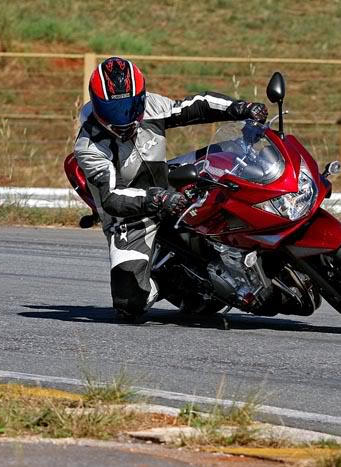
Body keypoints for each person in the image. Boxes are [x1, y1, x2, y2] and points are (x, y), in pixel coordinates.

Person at [73, 56, 267, 321]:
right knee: (130, 304)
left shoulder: (151, 105)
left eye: (130, 107)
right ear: (96, 105)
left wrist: (241, 108)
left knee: (228, 155)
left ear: (140, 98)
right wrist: (157, 198)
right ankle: (171, 281)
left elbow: (196, 106)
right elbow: (111, 197)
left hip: (166, 180)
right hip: (131, 217)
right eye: (112, 110)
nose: (122, 118)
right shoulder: (89, 145)